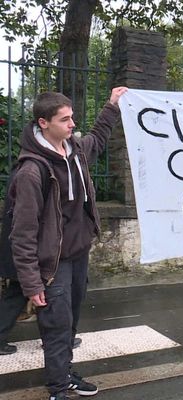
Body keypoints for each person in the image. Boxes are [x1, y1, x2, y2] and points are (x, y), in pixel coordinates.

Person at [9, 86, 128, 400]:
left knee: (70, 322)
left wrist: (112, 104)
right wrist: (32, 284)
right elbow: (22, 234)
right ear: (43, 123)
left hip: (78, 255)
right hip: (53, 262)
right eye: (65, 119)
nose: (73, 124)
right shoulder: (33, 172)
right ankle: (58, 389)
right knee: (56, 327)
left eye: (72, 117)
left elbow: (98, 138)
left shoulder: (73, 149)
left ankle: (64, 374)